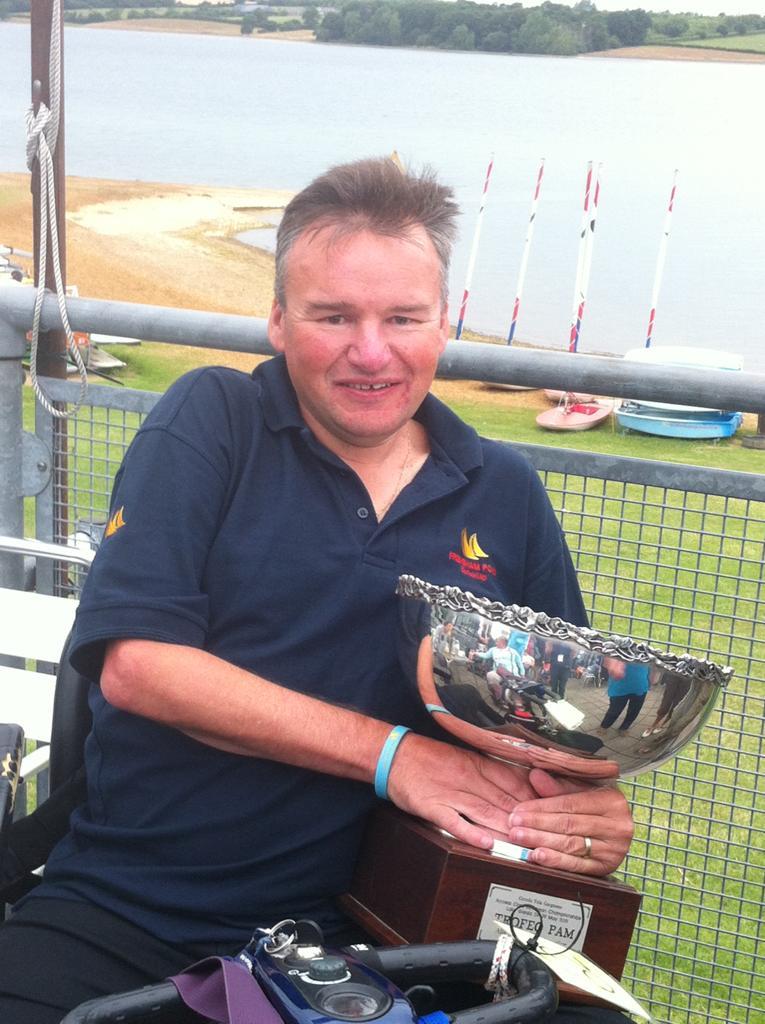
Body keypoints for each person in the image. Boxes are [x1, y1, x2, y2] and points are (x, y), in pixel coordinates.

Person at [0, 158, 633, 1023]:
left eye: (402, 318)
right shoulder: (211, 421)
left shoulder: (504, 490)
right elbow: (139, 666)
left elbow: (556, 729)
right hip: (135, 907)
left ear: (441, 324)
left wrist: (585, 815)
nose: (370, 352)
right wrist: (394, 758)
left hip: (397, 928)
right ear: (277, 320)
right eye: (333, 316)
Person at [469, 634, 525, 702]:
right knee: (490, 675)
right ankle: (499, 696)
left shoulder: (512, 652)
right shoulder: (493, 650)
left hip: (512, 675)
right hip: (498, 673)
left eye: (497, 641)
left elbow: (519, 663)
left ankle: (514, 702)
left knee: (516, 691)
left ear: (503, 642)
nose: (496, 643)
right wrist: (476, 653)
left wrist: (522, 674)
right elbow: (486, 655)